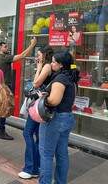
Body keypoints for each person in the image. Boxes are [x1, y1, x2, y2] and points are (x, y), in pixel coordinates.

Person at [38, 51, 79, 184]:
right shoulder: (71, 79)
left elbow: (54, 100)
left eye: (54, 61)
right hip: (67, 117)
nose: (51, 63)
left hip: (54, 119)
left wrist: (44, 98)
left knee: (46, 154)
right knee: (62, 154)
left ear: (61, 65)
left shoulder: (60, 79)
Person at [18, 46, 54, 180]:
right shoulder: (47, 66)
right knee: (37, 136)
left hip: (39, 107)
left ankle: (30, 168)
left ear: (44, 55)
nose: (37, 57)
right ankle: (36, 167)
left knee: (27, 132)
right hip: (41, 106)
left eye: (38, 55)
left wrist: (38, 68)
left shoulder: (47, 67)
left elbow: (36, 83)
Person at [0, 37, 37, 140]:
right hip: (4, 87)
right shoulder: (5, 57)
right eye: (5, 46)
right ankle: (1, 131)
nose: (7, 48)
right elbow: (22, 55)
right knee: (5, 108)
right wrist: (32, 45)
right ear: (0, 48)